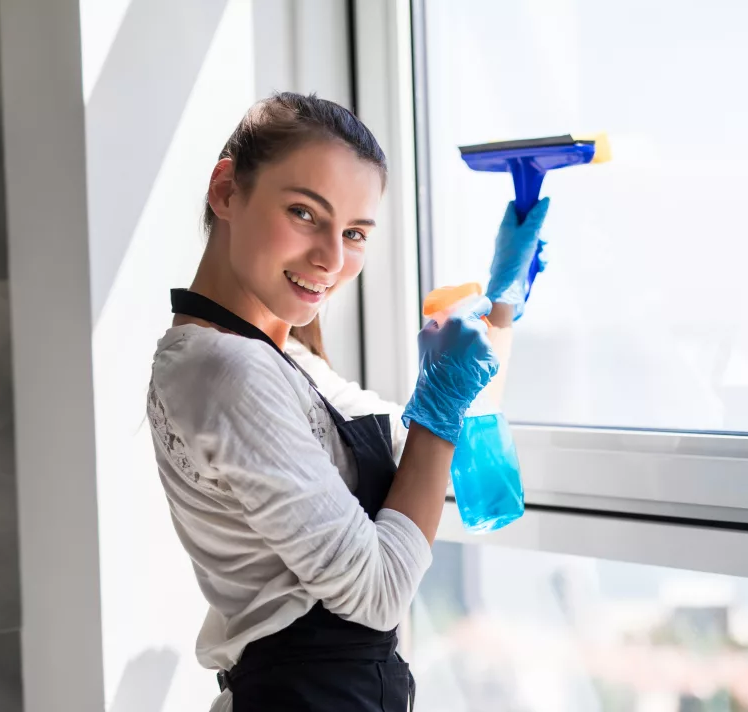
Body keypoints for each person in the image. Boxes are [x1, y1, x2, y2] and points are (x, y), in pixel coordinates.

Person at [146, 92, 550, 712]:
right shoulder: (225, 370)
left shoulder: (279, 360)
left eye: (355, 232)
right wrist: (440, 395)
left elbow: (410, 447)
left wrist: (501, 302)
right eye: (306, 214)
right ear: (226, 190)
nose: (333, 259)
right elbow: (380, 590)